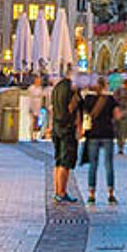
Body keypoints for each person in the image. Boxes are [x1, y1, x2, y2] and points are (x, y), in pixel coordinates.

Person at [82, 78, 120, 204]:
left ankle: (91, 194)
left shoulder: (88, 99)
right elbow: (117, 115)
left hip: (93, 134)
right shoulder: (110, 99)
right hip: (107, 134)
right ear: (105, 86)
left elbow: (84, 113)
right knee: (109, 164)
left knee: (93, 164)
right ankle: (110, 193)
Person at [50, 73, 79, 204]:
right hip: (67, 128)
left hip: (56, 127)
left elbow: (52, 108)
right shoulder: (72, 89)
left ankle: (57, 192)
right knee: (65, 162)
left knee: (58, 161)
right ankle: (62, 192)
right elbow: (72, 107)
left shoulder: (57, 87)